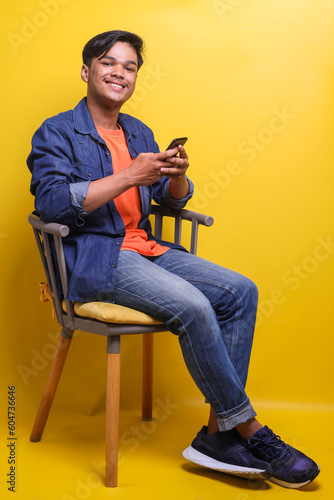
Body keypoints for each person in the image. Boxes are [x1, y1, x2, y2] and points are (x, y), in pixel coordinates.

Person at [27, 30, 320, 489]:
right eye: (108, 63)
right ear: (86, 72)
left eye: (129, 67)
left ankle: (216, 436)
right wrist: (129, 175)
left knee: (241, 291)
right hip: (96, 258)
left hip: (146, 248)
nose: (119, 73)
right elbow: (51, 204)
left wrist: (178, 178)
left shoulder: (138, 131)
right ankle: (247, 429)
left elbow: (171, 199)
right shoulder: (57, 131)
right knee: (194, 305)